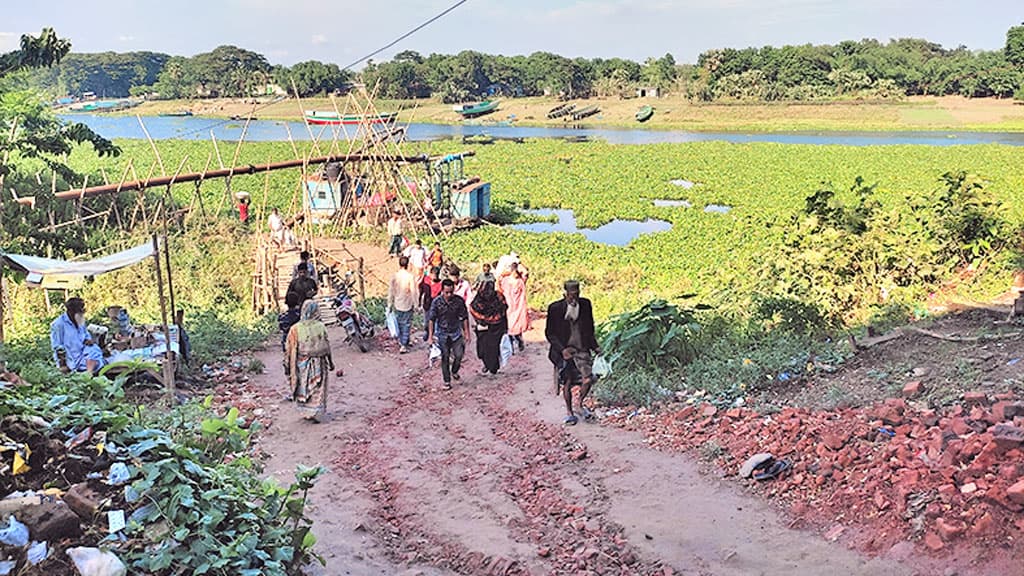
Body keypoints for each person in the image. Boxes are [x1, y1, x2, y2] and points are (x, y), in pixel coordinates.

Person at [545, 280, 600, 425]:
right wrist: (562, 350)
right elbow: (550, 333)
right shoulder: (555, 308)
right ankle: (569, 412)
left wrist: (595, 346)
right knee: (567, 382)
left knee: (587, 379)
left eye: (576, 295)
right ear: (565, 294)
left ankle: (579, 404)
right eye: (571, 296)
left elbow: (590, 328)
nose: (574, 299)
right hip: (564, 352)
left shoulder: (585, 305)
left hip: (582, 349)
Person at [286, 300, 335, 422]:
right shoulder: (321, 326)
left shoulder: (295, 329)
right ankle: (317, 411)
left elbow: (289, 349)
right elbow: (327, 346)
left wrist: (288, 365)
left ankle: (307, 411)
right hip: (319, 362)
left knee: (304, 386)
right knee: (319, 387)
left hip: (302, 363)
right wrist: (331, 362)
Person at [427, 279, 470, 390]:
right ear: (442, 291)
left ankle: (454, 371)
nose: (449, 295)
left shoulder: (459, 301)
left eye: (451, 292)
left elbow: (464, 317)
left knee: (459, 354)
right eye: (446, 292)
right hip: (442, 333)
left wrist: (467, 333)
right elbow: (431, 319)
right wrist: (430, 337)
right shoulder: (436, 302)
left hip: (456, 332)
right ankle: (447, 381)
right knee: (445, 357)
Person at [50, 297, 105, 374]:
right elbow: (58, 347)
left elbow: (86, 335)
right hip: (71, 359)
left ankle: (89, 373)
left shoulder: (80, 320)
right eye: (79, 311)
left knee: (94, 349)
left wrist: (88, 341)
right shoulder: (58, 324)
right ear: (71, 311)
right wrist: (63, 366)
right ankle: (89, 372)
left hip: (84, 355)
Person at [470, 280, 507, 376]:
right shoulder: (478, 298)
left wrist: (494, 319)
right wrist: (483, 319)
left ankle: (493, 367)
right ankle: (486, 364)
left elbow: (503, 309)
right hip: (483, 327)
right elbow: (473, 309)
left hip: (497, 327)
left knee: (493, 348)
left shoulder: (498, 296)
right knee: (481, 349)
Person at [388, 256, 418, 353]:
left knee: (400, 323)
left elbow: (391, 291)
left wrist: (390, 304)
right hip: (407, 303)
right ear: (407, 264)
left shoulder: (394, 276)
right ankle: (404, 344)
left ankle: (403, 341)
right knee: (407, 324)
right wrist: (416, 304)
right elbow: (414, 291)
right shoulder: (410, 276)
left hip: (398, 303)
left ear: (399, 264)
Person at [498, 262, 529, 352]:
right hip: (509, 308)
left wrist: (520, 263)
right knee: (509, 328)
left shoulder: (520, 281)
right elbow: (499, 286)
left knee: (517, 327)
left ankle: (519, 341)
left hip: (518, 307)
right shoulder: (505, 281)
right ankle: (511, 346)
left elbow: (526, 272)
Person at [420, 266, 444, 340]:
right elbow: (421, 290)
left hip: (436, 305)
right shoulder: (426, 280)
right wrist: (419, 300)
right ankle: (427, 331)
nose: (434, 276)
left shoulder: (440, 284)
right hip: (427, 303)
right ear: (430, 274)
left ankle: (435, 334)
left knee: (435, 320)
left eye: (436, 275)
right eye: (433, 274)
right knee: (427, 319)